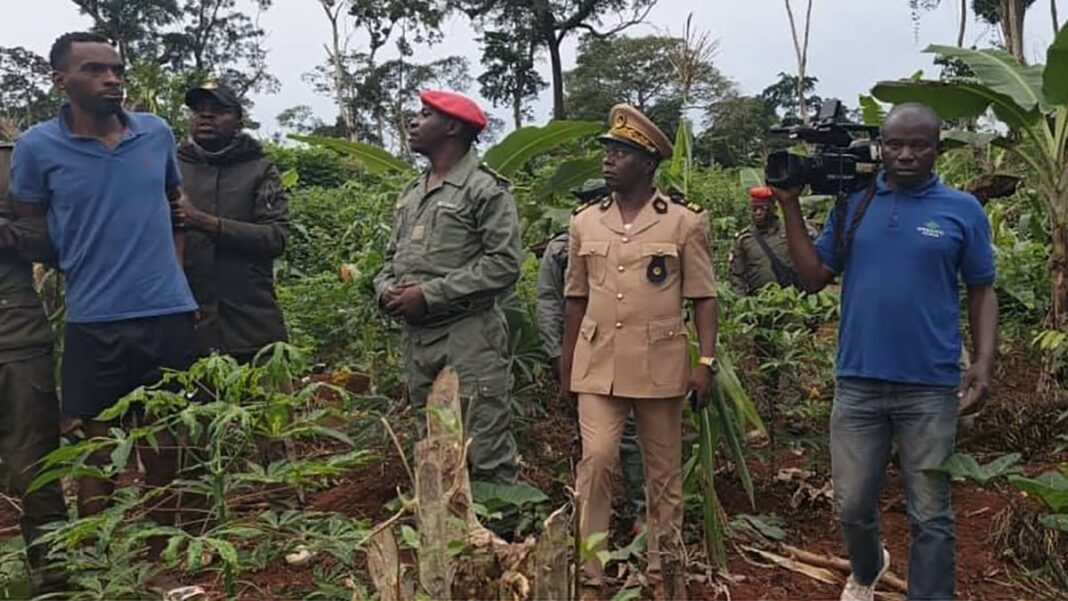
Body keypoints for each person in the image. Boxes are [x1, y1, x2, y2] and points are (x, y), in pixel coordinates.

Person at [769, 102, 997, 601]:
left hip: (931, 386)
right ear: (881, 147)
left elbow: (982, 288)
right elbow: (812, 278)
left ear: (937, 148)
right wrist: (788, 205)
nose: (906, 154)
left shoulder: (962, 210)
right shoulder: (855, 204)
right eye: (896, 144)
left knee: (931, 511)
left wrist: (981, 362)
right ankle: (868, 568)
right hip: (859, 382)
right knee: (851, 504)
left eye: (919, 145)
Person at [9, 32, 199, 559]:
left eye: (116, 68)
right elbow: (33, 231)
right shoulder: (36, 147)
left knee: (166, 443)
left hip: (167, 314)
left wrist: (174, 276)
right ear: (61, 80)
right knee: (98, 450)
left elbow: (173, 204)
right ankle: (101, 562)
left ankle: (169, 553)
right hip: (94, 318)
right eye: (94, 70)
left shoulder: (156, 134)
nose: (111, 79)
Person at [561, 104, 719, 601]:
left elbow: (704, 297)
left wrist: (706, 363)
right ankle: (591, 579)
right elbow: (574, 297)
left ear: (648, 164)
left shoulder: (683, 223)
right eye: (608, 150)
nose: (609, 159)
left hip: (660, 364)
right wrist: (567, 365)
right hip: (598, 364)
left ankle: (663, 576)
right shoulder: (585, 223)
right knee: (598, 462)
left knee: (664, 475)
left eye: (622, 152)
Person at [373, 90, 522, 502]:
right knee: (432, 444)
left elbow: (504, 264)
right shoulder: (411, 193)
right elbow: (391, 260)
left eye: (426, 115)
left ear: (453, 127)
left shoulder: (484, 189)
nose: (414, 122)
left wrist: (432, 293)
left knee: (485, 444)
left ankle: (501, 546)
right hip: (418, 341)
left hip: (468, 337)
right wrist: (386, 289)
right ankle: (446, 546)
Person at [535, 179, 645, 526]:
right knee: (599, 436)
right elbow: (550, 304)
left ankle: (639, 510)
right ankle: (603, 514)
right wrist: (558, 358)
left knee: (626, 434)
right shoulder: (562, 249)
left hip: (624, 352)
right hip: (584, 352)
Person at [176, 82, 289, 362]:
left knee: (267, 404)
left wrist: (203, 222)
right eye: (198, 110)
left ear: (238, 121)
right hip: (187, 329)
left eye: (218, 110)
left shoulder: (259, 168)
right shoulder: (171, 167)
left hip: (252, 328)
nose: (206, 116)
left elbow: (275, 237)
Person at [0, 144, 68, 595]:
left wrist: (4, 233)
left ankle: (54, 580)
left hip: (14, 338)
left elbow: (52, 239)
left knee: (35, 471)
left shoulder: (11, 162)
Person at [729, 185, 810, 296]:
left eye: (762, 208)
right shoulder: (745, 238)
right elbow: (737, 275)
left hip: (793, 298)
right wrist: (741, 301)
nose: (757, 213)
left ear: (773, 208)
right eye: (754, 209)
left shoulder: (791, 230)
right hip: (759, 301)